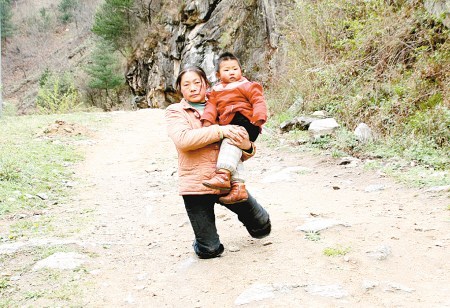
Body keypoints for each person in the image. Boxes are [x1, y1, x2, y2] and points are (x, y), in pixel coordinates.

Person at [165, 66, 271, 259]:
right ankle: (203, 240)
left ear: (206, 84)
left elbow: (240, 149)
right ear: (180, 89)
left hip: (226, 182)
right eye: (186, 84)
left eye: (197, 82)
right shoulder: (176, 111)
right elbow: (184, 140)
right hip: (196, 187)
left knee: (262, 228)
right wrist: (221, 130)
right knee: (210, 251)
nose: (193, 88)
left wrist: (247, 146)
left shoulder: (223, 104)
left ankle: (256, 221)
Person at [201, 52, 268, 204]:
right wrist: (207, 121)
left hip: (247, 121)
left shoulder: (247, 85)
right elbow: (211, 108)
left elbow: (258, 101)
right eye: (226, 70)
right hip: (229, 124)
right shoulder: (216, 91)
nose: (231, 72)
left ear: (240, 71)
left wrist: (259, 116)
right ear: (218, 74)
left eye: (235, 69)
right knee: (230, 148)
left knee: (231, 140)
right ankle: (238, 187)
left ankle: (223, 174)